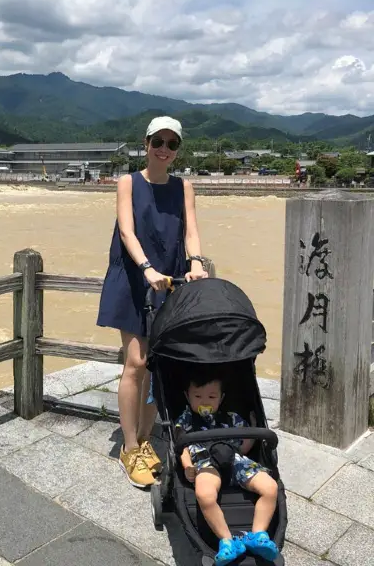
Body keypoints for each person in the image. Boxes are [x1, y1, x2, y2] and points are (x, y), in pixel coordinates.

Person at [96, 115, 209, 488]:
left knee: (157, 363)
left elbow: (191, 231)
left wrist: (195, 261)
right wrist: (145, 267)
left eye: (171, 144)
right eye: (157, 141)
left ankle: (145, 438)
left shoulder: (184, 187)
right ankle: (130, 448)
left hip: (170, 280)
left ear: (177, 150)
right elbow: (126, 230)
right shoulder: (128, 182)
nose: (163, 149)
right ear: (145, 144)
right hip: (134, 277)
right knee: (136, 361)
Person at [176, 372, 280, 565]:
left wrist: (254, 428)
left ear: (221, 398)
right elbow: (181, 446)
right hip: (205, 463)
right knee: (205, 495)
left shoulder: (231, 418)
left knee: (270, 487)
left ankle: (258, 536)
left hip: (236, 460)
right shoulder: (186, 419)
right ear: (187, 396)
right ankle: (227, 541)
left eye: (211, 397)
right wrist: (187, 466)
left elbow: (243, 447)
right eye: (197, 396)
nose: (204, 401)